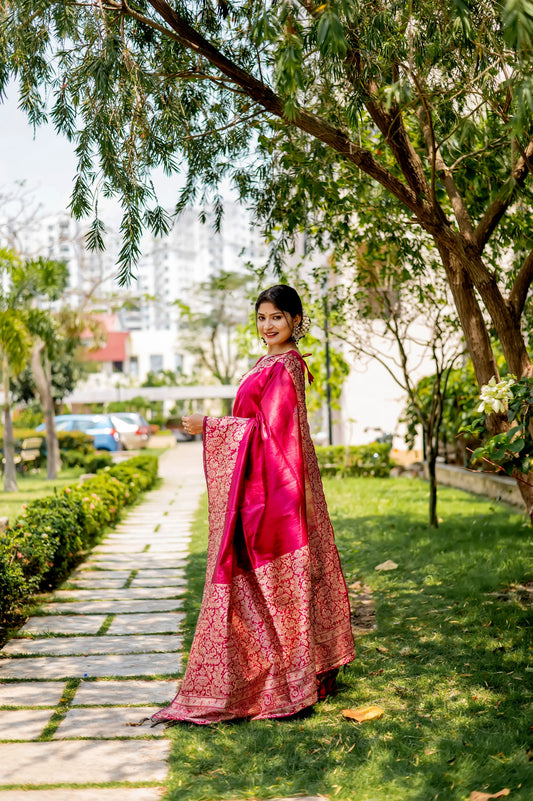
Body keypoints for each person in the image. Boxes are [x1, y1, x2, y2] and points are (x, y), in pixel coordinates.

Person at [151, 284, 354, 725]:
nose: (268, 326)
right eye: (262, 318)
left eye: (277, 318)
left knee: (272, 585)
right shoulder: (269, 362)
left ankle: (292, 677)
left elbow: (271, 436)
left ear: (296, 321)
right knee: (260, 586)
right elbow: (257, 425)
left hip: (275, 494)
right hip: (261, 488)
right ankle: (282, 671)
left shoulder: (285, 367)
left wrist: (210, 425)